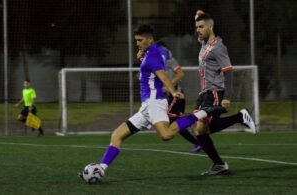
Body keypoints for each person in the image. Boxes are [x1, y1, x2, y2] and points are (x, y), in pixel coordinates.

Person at [79, 24, 213, 181]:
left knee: (166, 135)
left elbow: (163, 76)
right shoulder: (157, 51)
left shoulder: (152, 56)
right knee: (117, 135)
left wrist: (173, 91)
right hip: (146, 106)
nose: (137, 43)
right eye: (136, 40)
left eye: (140, 40)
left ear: (150, 39)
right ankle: (101, 169)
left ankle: (201, 113)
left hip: (155, 102)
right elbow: (161, 58)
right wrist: (143, 54)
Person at [170, 10, 256, 175]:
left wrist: (227, 97)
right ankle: (219, 164)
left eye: (201, 27)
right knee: (200, 130)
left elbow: (228, 71)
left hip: (214, 92)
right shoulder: (204, 44)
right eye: (197, 27)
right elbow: (200, 25)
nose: (198, 30)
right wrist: (197, 16)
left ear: (210, 27)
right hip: (204, 94)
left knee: (200, 127)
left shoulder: (217, 48)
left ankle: (240, 117)